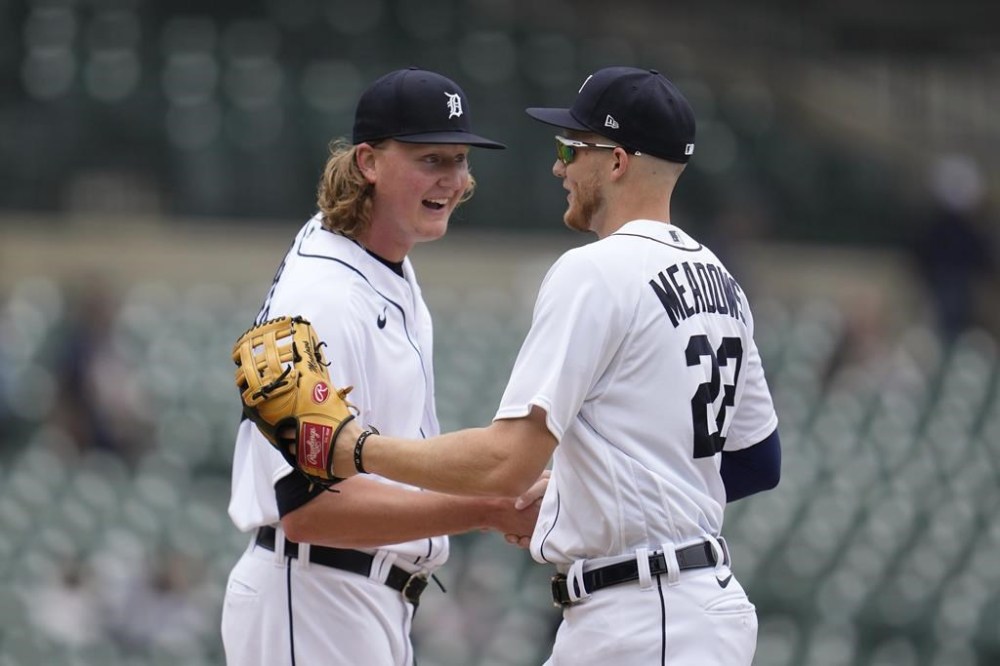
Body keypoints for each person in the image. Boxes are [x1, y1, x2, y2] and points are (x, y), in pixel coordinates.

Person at [329, 66, 782, 665]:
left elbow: (505, 463)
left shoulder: (595, 271)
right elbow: (757, 461)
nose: (559, 166)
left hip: (647, 614)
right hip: (679, 604)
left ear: (617, 161)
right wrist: (595, 494)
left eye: (571, 147)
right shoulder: (720, 278)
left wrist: (354, 447)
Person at [221, 67, 545, 666]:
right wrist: (485, 506)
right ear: (368, 161)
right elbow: (309, 510)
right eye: (431, 160)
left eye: (460, 160)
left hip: (359, 599)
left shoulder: (377, 261)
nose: (454, 179)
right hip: (312, 595)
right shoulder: (321, 295)